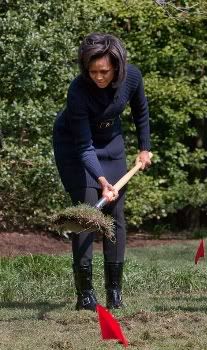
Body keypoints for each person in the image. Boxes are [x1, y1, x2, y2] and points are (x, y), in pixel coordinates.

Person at [53, 32, 152, 311]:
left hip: (111, 143)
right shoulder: (78, 90)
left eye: (104, 71)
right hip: (75, 147)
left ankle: (114, 292)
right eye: (92, 71)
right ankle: (85, 294)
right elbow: (84, 147)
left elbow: (141, 112)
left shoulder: (132, 77)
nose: (98, 77)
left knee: (115, 214)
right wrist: (102, 181)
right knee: (87, 212)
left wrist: (144, 148)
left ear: (117, 67)